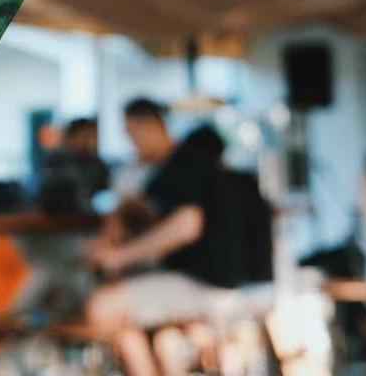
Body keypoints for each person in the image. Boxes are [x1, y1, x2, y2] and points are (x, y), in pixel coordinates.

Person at [82, 98, 272, 376]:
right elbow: (144, 208)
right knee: (155, 338)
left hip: (210, 286)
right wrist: (122, 214)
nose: (131, 144)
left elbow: (186, 226)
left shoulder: (184, 164)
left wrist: (119, 256)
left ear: (151, 126)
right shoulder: (183, 167)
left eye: (132, 134)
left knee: (102, 307)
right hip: (237, 286)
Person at [39, 117, 109, 213]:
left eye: (94, 136)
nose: (91, 140)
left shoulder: (98, 164)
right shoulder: (56, 161)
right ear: (72, 137)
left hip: (92, 218)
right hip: (61, 219)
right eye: (86, 135)